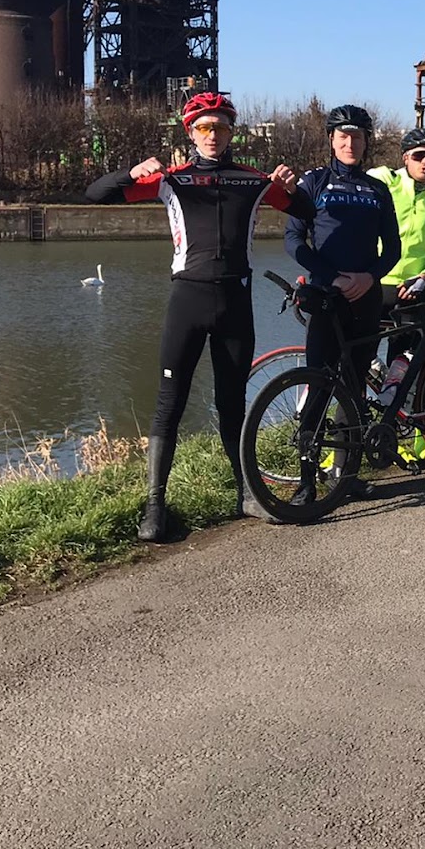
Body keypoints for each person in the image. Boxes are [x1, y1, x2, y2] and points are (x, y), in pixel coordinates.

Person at [86, 91, 313, 542]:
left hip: (235, 303)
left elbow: (306, 212)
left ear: (232, 133)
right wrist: (132, 172)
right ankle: (155, 507)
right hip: (186, 300)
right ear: (190, 133)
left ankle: (247, 493)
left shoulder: (253, 180)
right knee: (169, 403)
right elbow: (97, 192)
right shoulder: (172, 179)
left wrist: (293, 188)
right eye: (204, 128)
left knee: (232, 405)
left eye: (221, 128)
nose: (213, 136)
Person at [285, 103, 401, 502]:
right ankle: (306, 481)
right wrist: (332, 277)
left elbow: (394, 249)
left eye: (358, 136)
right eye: (343, 136)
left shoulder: (377, 189)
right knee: (317, 386)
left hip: (365, 299)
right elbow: (293, 240)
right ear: (332, 140)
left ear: (367, 142)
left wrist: (370, 276)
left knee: (353, 389)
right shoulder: (313, 183)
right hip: (326, 298)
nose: (350, 143)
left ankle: (346, 476)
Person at [369, 127, 425, 458]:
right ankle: (347, 438)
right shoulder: (386, 183)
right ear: (405, 158)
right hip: (375, 285)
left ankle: (389, 436)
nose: (424, 162)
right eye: (417, 156)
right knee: (357, 360)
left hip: (410, 291)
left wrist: (424, 277)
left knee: (400, 366)